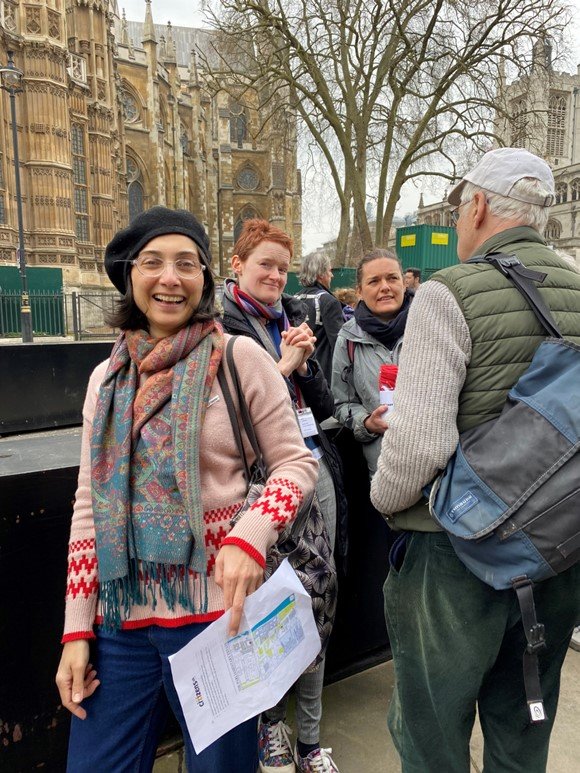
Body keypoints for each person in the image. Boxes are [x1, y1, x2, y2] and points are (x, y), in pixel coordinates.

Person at [55, 206, 318, 773]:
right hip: (119, 622)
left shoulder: (239, 358)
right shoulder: (106, 379)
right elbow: (87, 509)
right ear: (131, 276)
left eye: (186, 264)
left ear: (204, 278)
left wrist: (249, 536)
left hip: (217, 620)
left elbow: (296, 466)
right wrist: (77, 629)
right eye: (153, 262)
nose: (169, 278)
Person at [370, 147, 580, 772]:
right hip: (558, 552)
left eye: (462, 209)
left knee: (431, 734)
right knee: (523, 727)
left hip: (456, 555)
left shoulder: (447, 292)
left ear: (480, 205)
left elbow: (421, 447)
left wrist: (384, 498)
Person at [221, 218, 343, 773]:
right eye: (265, 264)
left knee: (317, 602)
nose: (275, 275)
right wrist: (281, 366)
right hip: (255, 488)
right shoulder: (218, 326)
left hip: (311, 470)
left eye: (283, 267)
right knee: (263, 610)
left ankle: (312, 739)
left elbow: (321, 403)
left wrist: (307, 361)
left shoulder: (292, 316)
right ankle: (272, 728)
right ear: (236, 265)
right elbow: (226, 420)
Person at [331, 250, 412, 477]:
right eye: (374, 281)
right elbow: (341, 403)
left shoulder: (430, 326)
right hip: (383, 469)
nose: (384, 287)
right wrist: (366, 422)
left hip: (437, 467)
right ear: (359, 291)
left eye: (392, 278)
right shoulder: (348, 339)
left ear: (404, 284)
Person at [294, 254, 344, 385]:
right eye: (329, 271)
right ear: (321, 273)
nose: (331, 275)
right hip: (323, 375)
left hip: (298, 371)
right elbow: (339, 345)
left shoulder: (294, 299)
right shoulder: (329, 301)